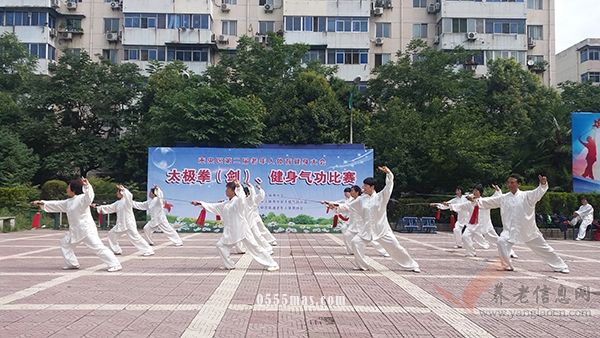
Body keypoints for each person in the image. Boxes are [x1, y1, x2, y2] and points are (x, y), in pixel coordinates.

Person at [323, 166, 420, 273]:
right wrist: (334, 206)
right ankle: (362, 265)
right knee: (356, 242)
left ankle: (412, 265)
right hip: (367, 230)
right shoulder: (361, 199)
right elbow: (348, 207)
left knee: (396, 248)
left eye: (365, 186)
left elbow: (389, 186)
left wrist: (389, 174)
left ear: (372, 187)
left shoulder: (381, 196)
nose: (363, 187)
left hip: (382, 230)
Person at [477, 174, 569, 273]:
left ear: (518, 184)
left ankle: (561, 266)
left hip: (528, 230)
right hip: (510, 231)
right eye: (508, 182)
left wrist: (542, 184)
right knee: (501, 242)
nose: (510, 185)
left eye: (512, 182)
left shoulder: (527, 196)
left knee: (544, 249)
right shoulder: (504, 198)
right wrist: (476, 200)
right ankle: (507, 265)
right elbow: (489, 202)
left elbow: (538, 193)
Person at [31, 178, 122, 272]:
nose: (66, 189)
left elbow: (89, 197)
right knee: (65, 244)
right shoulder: (69, 202)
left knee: (98, 247)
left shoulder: (82, 198)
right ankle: (72, 263)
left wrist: (87, 186)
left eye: (68, 187)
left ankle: (115, 264)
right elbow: (56, 204)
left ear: (73, 189)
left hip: (86, 230)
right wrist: (41, 203)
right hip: (75, 231)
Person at [191, 181, 279, 271]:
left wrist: (239, 186)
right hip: (231, 232)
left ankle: (272, 264)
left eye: (228, 189)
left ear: (234, 191)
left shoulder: (239, 202)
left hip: (242, 230)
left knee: (255, 247)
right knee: (221, 246)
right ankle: (229, 265)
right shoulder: (226, 203)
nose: (226, 191)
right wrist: (200, 203)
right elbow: (214, 206)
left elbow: (242, 198)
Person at [92, 185, 154, 257]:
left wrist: (123, 189)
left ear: (121, 193)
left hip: (129, 224)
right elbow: (109, 207)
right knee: (111, 234)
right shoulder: (118, 203)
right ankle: (117, 250)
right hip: (120, 224)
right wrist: (97, 207)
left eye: (118, 192)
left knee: (136, 238)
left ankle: (148, 250)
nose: (116, 194)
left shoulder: (128, 201)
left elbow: (129, 195)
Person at [342, 185, 389, 257]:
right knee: (347, 235)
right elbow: (345, 207)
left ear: (357, 192)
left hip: (363, 225)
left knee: (373, 240)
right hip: (354, 225)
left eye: (352, 191)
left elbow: (348, 207)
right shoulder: (351, 200)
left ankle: (385, 252)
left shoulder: (361, 199)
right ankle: (351, 251)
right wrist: (334, 206)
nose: (350, 192)